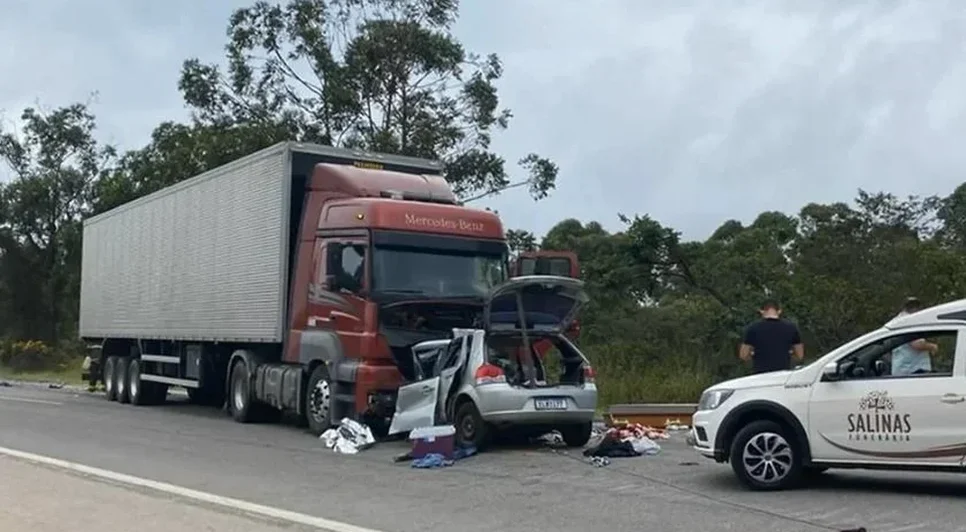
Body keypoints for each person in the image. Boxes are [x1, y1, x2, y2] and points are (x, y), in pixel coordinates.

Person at [739, 299, 804, 374]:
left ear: (761, 311)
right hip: (783, 374)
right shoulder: (791, 328)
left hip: (761, 373)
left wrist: (754, 355)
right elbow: (800, 355)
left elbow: (743, 355)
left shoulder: (752, 328)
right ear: (779, 311)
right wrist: (787, 354)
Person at [890, 297, 938, 375]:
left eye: (915, 306)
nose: (915, 308)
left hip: (902, 368)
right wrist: (932, 347)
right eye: (912, 306)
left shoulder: (897, 320)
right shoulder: (909, 321)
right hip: (913, 369)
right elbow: (917, 344)